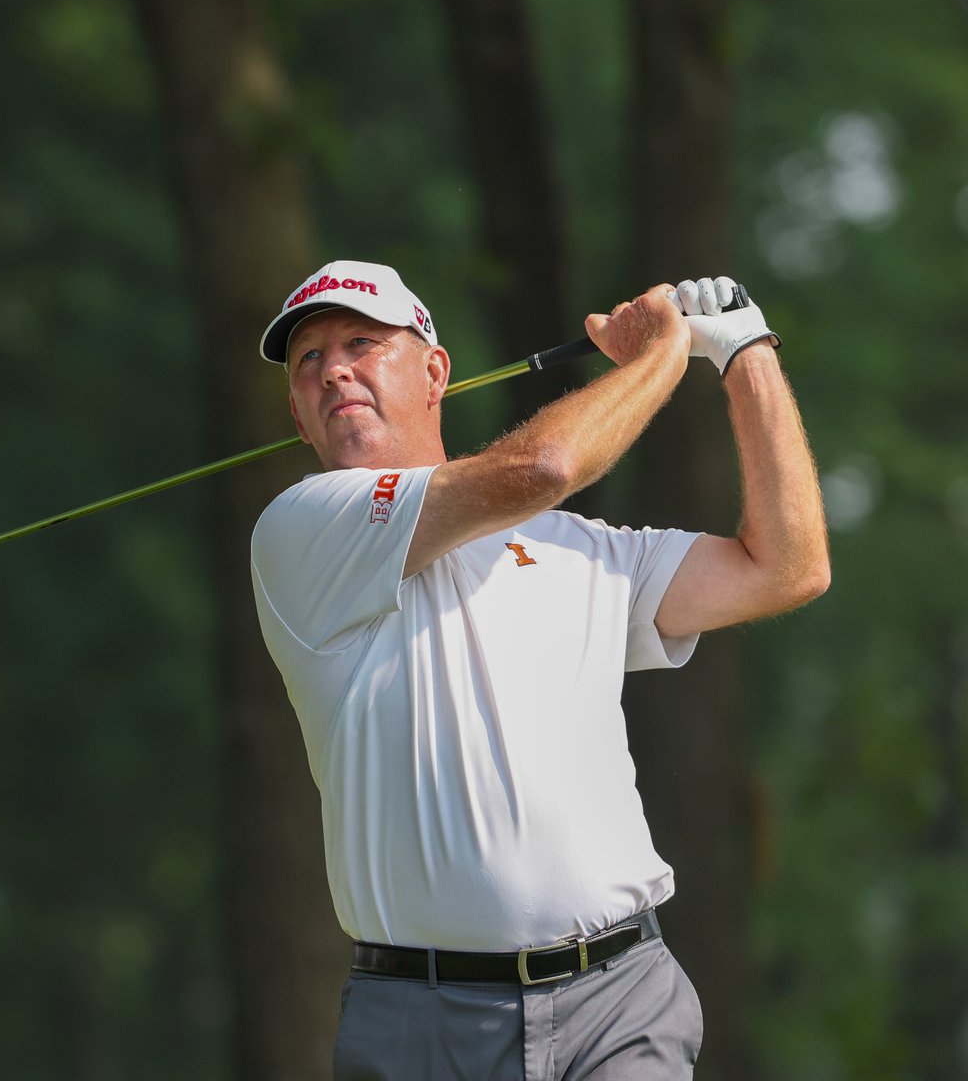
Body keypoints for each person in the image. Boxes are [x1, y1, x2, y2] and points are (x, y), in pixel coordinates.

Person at [249, 260, 829, 1081]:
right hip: (423, 1022)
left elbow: (788, 567)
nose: (332, 368)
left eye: (360, 343)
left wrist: (744, 354)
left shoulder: (581, 549)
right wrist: (664, 353)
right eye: (307, 361)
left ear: (434, 372)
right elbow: (545, 467)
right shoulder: (301, 531)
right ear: (299, 417)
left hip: (621, 1003)